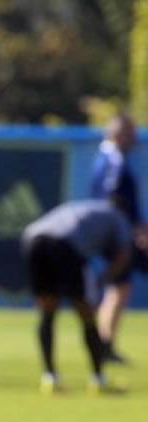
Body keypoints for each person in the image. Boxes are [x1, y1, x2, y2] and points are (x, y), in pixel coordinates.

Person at [22, 199, 131, 394]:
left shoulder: (83, 206)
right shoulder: (118, 217)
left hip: (33, 239)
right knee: (86, 314)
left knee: (47, 311)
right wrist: (105, 278)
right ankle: (98, 379)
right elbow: (124, 253)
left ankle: (50, 377)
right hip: (65, 245)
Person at [90, 113, 148, 364]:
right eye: (130, 132)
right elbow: (112, 197)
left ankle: (104, 345)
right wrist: (133, 230)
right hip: (119, 235)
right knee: (118, 287)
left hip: (116, 232)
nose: (134, 137)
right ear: (117, 133)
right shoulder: (113, 158)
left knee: (119, 287)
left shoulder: (107, 156)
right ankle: (103, 345)